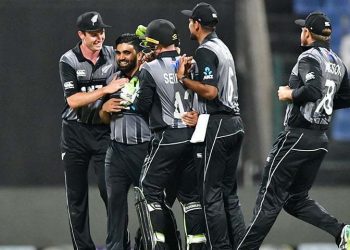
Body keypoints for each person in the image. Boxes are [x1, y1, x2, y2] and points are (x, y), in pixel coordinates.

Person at [236, 12, 350, 250]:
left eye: (302, 29)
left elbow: (312, 90)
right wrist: (324, 108)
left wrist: (290, 94)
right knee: (295, 200)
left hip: (297, 136)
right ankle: (341, 232)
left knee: (269, 198)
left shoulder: (309, 56)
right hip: (319, 139)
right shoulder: (337, 62)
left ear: (308, 32)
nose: (301, 33)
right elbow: (346, 97)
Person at [133, 19, 207, 250]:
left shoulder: (149, 68)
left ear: (157, 43)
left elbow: (141, 105)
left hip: (168, 136)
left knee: (148, 189)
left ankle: (158, 244)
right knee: (191, 197)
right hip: (193, 135)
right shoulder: (191, 63)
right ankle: (197, 245)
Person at [178, 3, 246, 249]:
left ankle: (221, 247)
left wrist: (183, 79)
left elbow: (210, 91)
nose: (188, 24)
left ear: (196, 24)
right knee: (229, 195)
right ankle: (242, 245)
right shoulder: (222, 47)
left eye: (190, 21)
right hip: (233, 123)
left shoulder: (205, 50)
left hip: (219, 125)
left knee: (211, 196)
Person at [58, 11, 128, 250]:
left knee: (111, 193)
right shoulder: (69, 60)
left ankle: (120, 245)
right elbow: (73, 101)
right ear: (81, 35)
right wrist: (106, 91)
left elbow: (132, 70)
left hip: (103, 131)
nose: (100, 37)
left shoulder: (112, 55)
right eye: (94, 34)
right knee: (76, 199)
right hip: (74, 133)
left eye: (102, 32)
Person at [99, 33, 151, 250]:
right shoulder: (112, 79)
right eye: (118, 52)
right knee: (115, 208)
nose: (121, 57)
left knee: (150, 208)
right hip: (116, 150)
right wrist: (104, 109)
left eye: (127, 52)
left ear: (139, 55)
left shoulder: (149, 76)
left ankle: (150, 244)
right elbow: (104, 119)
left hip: (144, 150)